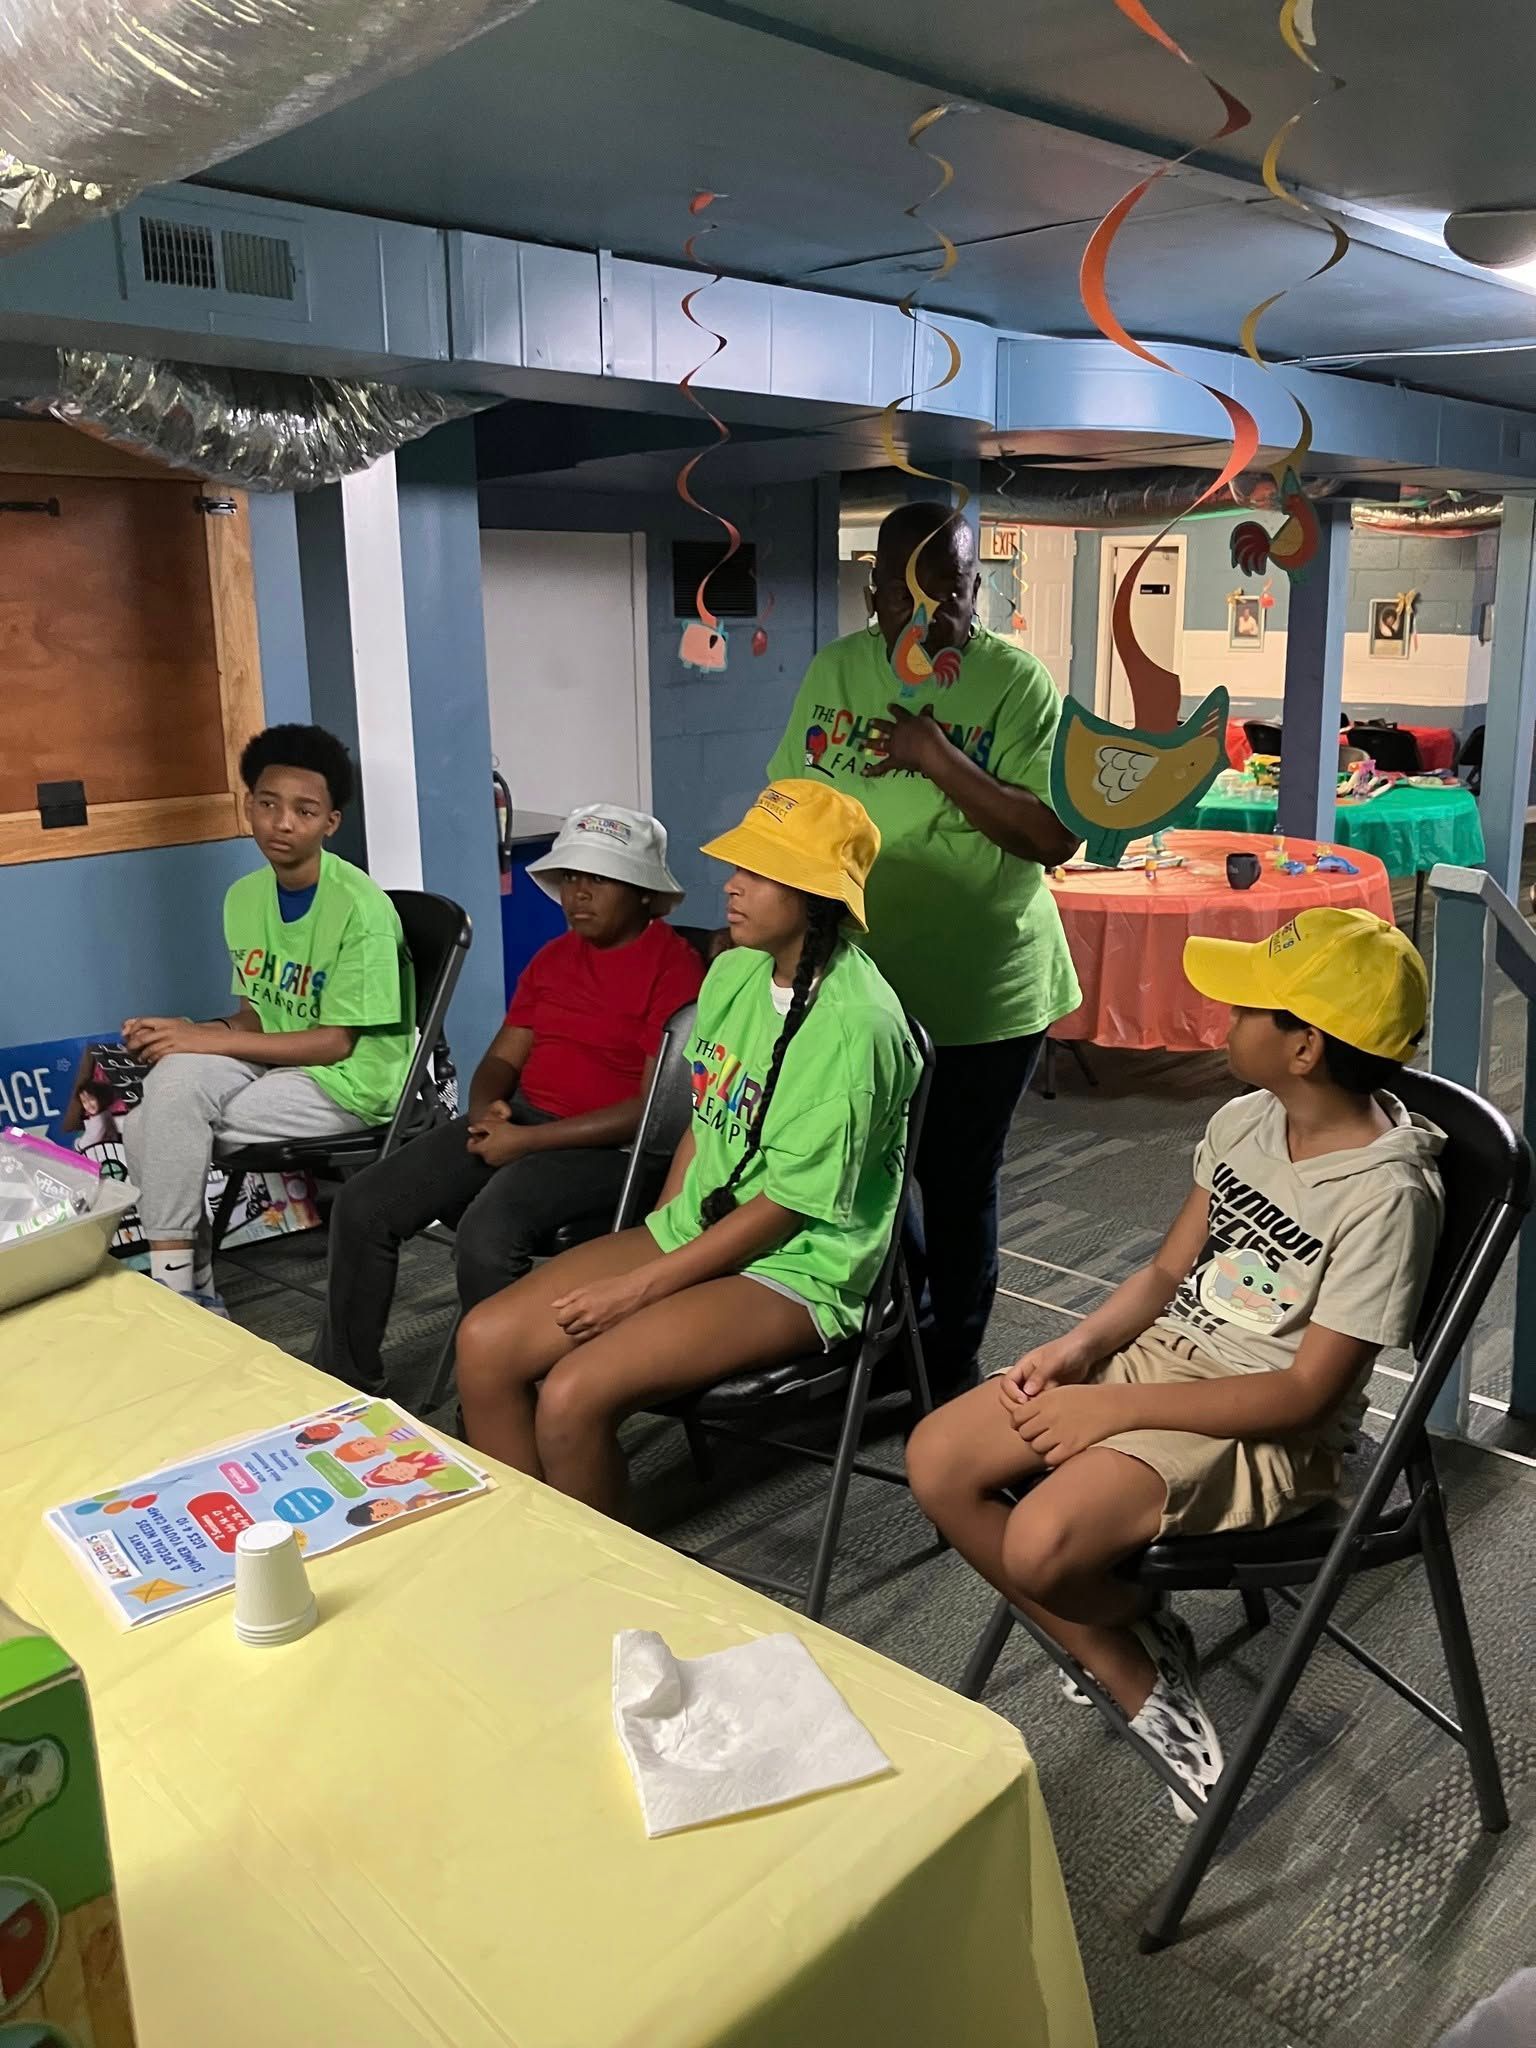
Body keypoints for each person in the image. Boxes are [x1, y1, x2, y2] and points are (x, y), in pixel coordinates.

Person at [907, 908, 1444, 1818]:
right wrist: (1080, 1349)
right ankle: (1130, 1634)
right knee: (936, 1458)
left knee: (1040, 1544)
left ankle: (1127, 1661)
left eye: (1247, 1010)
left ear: (1304, 1047)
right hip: (1160, 1362)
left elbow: (1307, 1392)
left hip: (1265, 1426)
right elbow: (1166, 1269)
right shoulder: (1245, 1120)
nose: (1226, 1021)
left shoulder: (1388, 1196)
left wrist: (1108, 1416)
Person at [455, 780, 920, 1515]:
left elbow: (790, 1209)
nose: (731, 887)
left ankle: (601, 1591)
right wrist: (662, 1233)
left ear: (815, 897)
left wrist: (642, 1287)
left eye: (758, 874)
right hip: (706, 1226)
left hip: (800, 1266)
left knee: (574, 1393)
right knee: (483, 1343)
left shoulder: (855, 1026)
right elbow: (708, 1126)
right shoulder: (735, 971)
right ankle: (528, 1554)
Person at [767, 503, 1080, 1389]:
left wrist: (937, 756)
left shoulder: (1018, 684)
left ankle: (949, 1361)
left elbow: (1052, 837)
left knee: (952, 1177)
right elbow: (792, 810)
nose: (931, 614)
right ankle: (897, 1327)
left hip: (985, 992)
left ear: (977, 588)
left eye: (950, 590)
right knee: (863, 1165)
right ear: (872, 594)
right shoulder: (835, 673)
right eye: (906, 593)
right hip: (859, 987)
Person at [316, 805, 705, 1394]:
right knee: (364, 1204)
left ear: (647, 894)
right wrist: (485, 1109)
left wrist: (527, 1141)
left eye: (599, 879)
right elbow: (503, 1057)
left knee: (486, 1233)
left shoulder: (674, 969)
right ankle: (345, 1382)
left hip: (615, 1150)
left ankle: (497, 1405)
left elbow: (652, 1109)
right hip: (522, 1123)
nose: (579, 893)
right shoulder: (552, 960)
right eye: (571, 877)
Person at [121, 725, 413, 1310]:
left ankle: (181, 1290)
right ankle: (185, 1283)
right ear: (248, 806)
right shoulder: (243, 897)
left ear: (330, 822)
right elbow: (256, 1019)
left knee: (161, 1124)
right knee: (171, 1086)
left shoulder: (362, 910)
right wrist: (188, 1036)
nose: (283, 823)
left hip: (352, 1079)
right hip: (275, 1061)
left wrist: (202, 1040)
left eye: (304, 811)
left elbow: (334, 1043)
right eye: (268, 804)